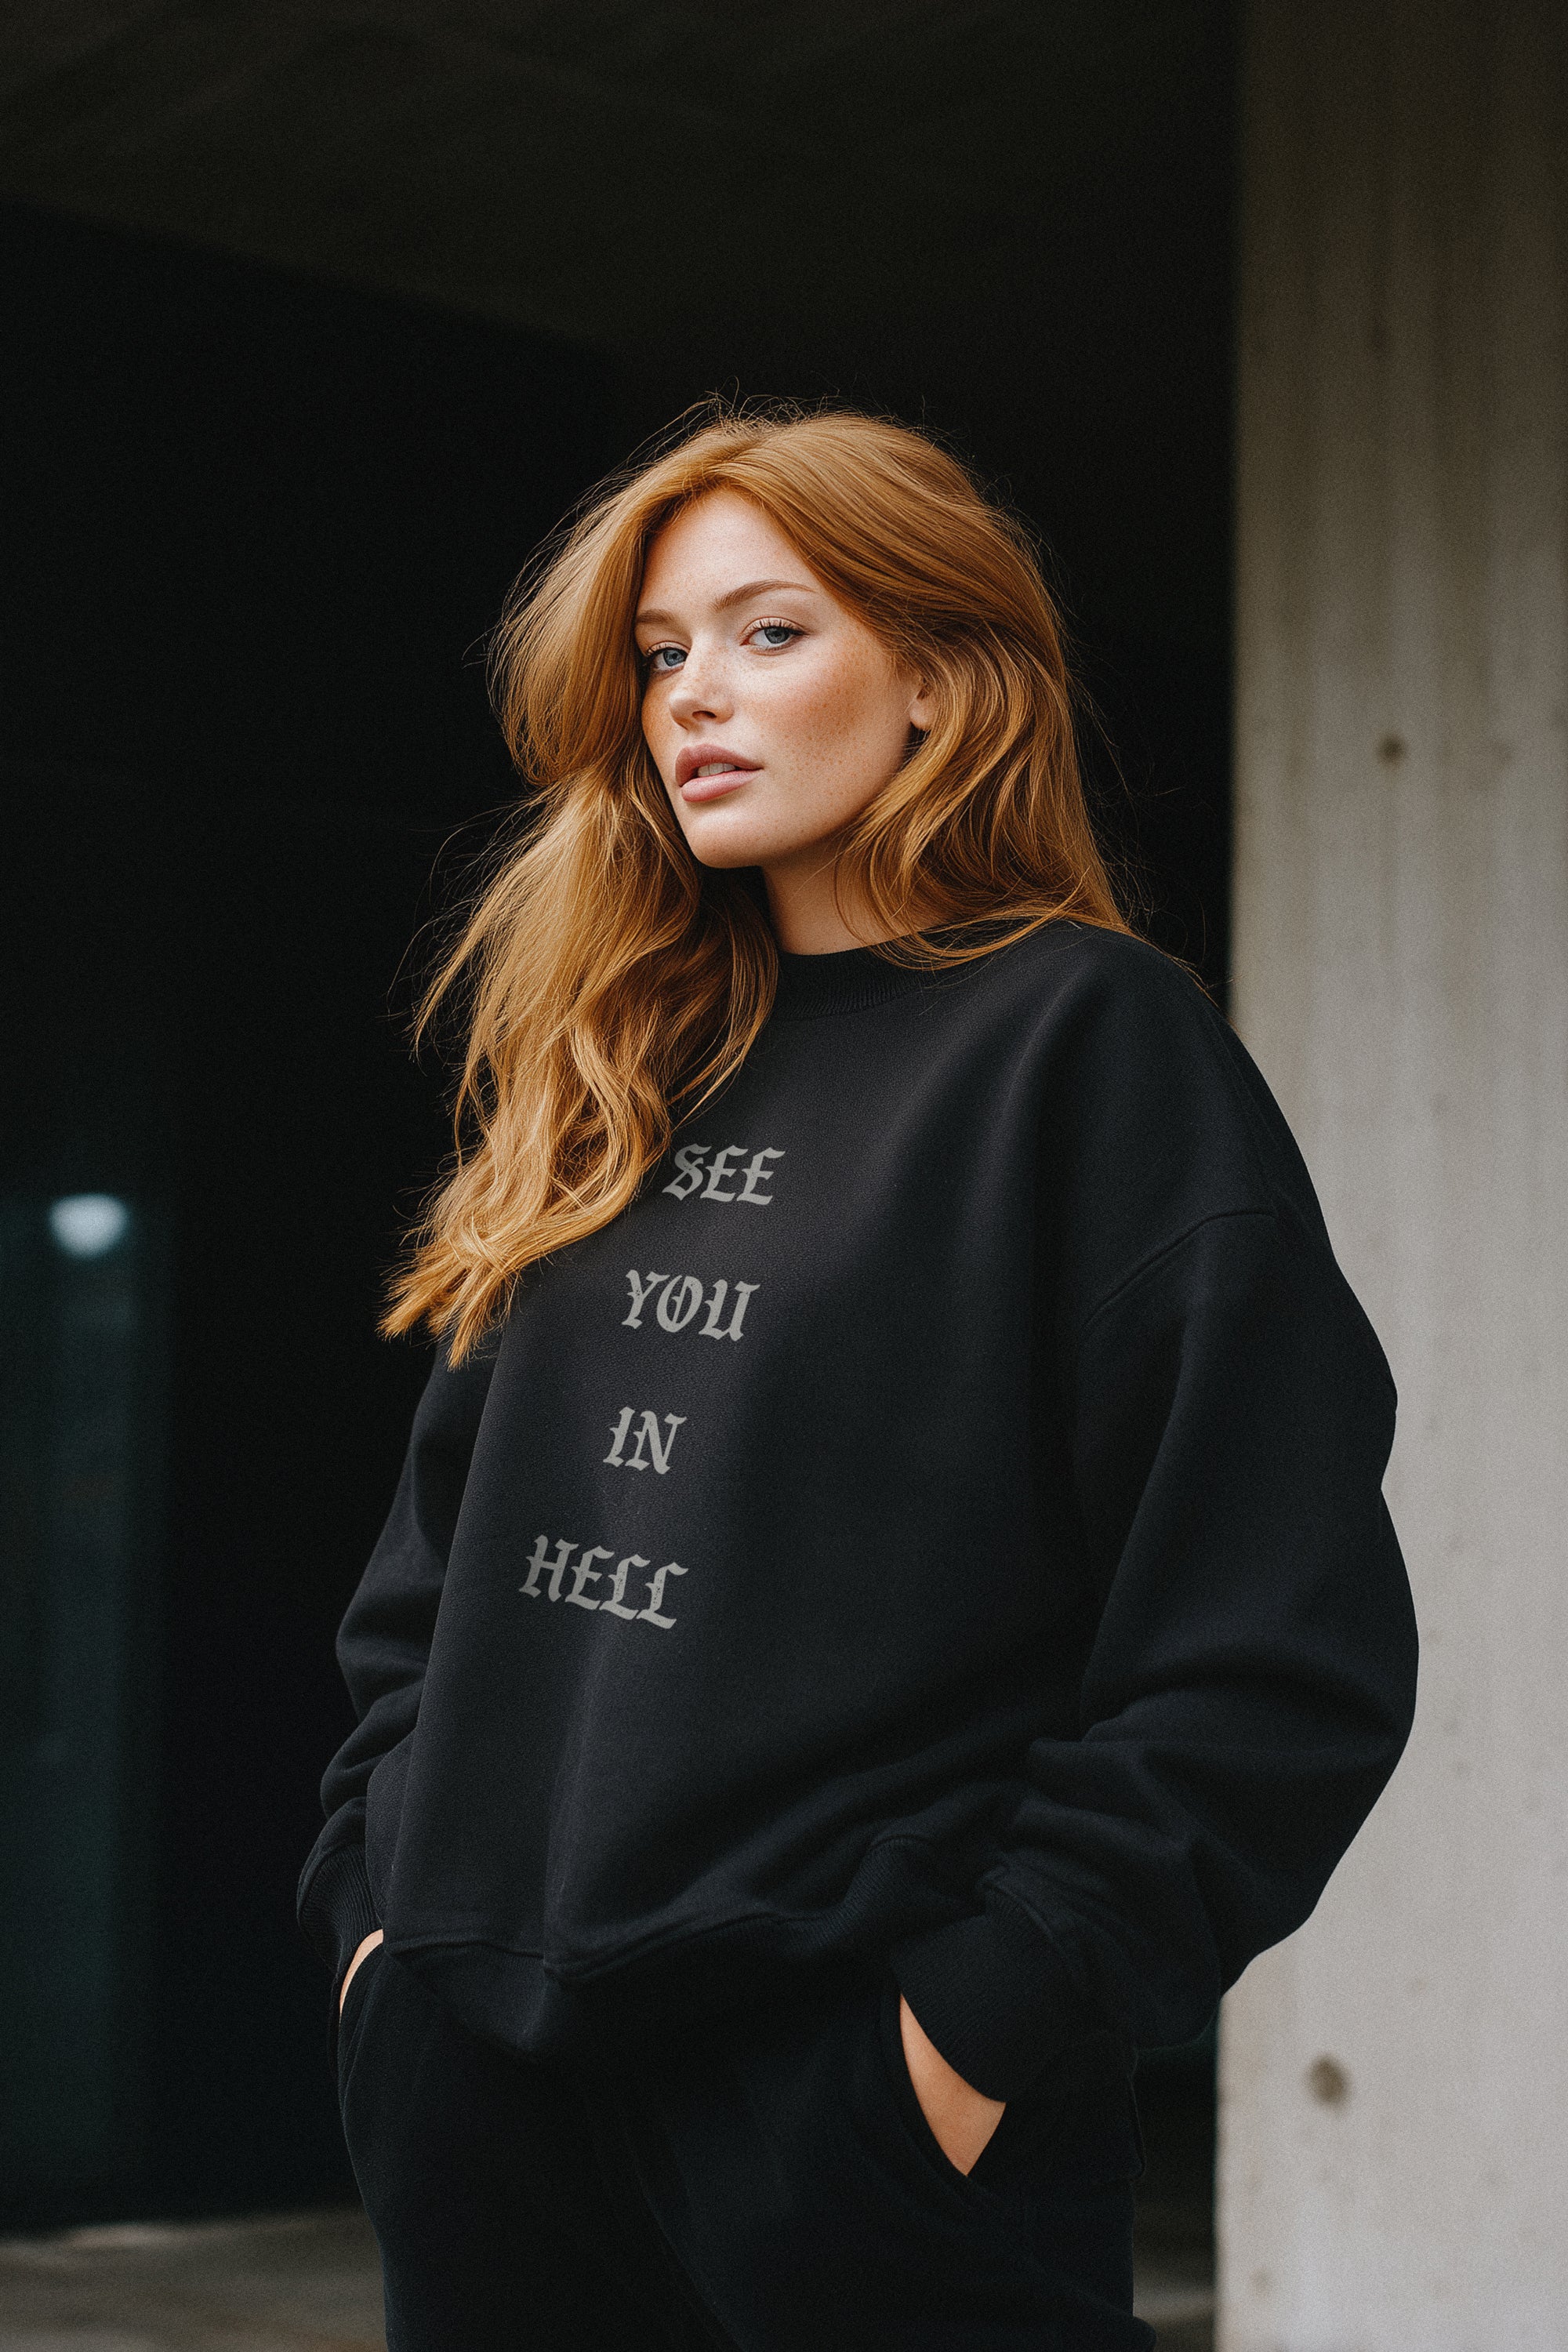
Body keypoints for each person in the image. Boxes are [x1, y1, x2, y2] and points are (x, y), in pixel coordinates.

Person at [297, 405, 1417, 2351]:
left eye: (767, 633)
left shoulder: (1084, 1046)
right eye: (660, 653)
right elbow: (439, 1577)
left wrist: (974, 2033)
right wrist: (379, 1936)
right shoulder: (624, 1059)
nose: (690, 700)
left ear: (936, 678)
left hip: (852, 2137)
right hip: (487, 2105)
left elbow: (1272, 1642)